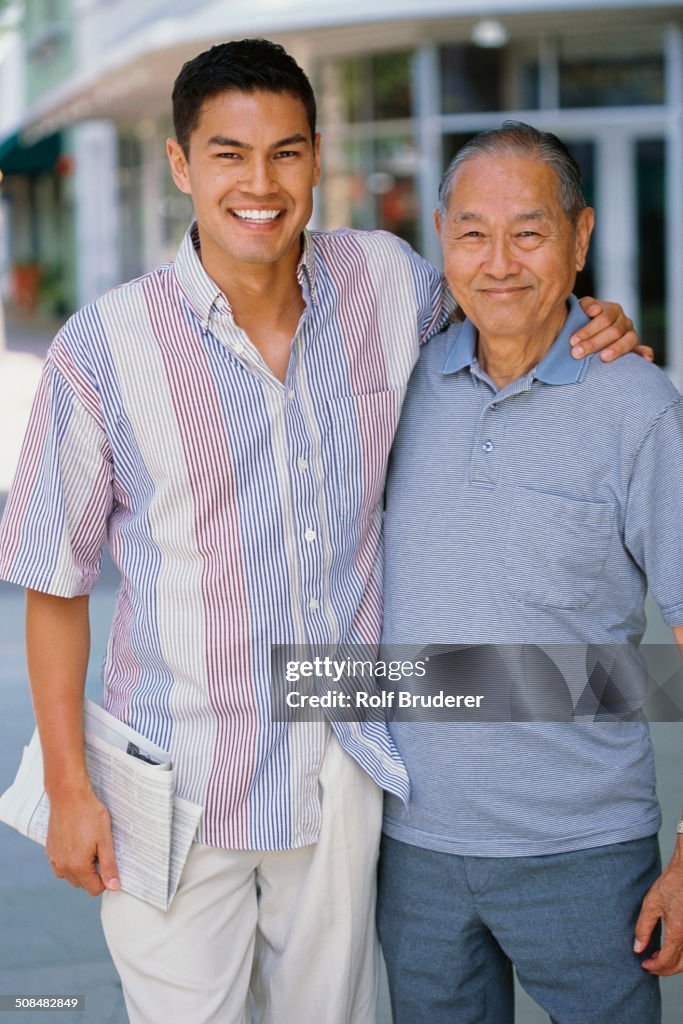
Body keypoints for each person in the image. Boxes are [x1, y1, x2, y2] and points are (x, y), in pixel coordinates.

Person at [0, 40, 640, 1024]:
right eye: (228, 154)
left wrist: (588, 318)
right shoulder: (105, 347)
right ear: (180, 165)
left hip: (340, 767)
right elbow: (53, 583)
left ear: (314, 157)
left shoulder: (386, 283)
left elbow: (497, 307)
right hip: (173, 779)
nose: (260, 184)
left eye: (285, 152)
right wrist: (70, 786)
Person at [377, 121, 683, 1024]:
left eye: (530, 231)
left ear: (580, 238)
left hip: (585, 853)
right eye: (472, 233)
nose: (498, 261)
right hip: (412, 852)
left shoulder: (639, 408)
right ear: (441, 239)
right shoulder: (395, 385)